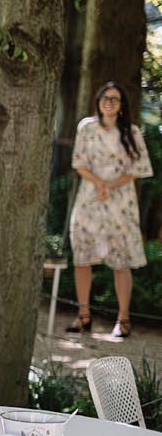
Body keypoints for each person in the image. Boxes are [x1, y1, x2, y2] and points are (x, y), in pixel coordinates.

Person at [68, 82, 153, 338]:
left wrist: (111, 185)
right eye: (105, 97)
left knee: (120, 260)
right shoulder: (86, 127)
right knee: (82, 257)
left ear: (122, 104)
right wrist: (99, 184)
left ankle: (123, 318)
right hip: (89, 198)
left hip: (120, 201)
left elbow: (139, 169)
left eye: (115, 98)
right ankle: (84, 315)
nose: (109, 102)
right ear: (98, 100)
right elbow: (78, 162)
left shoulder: (132, 132)